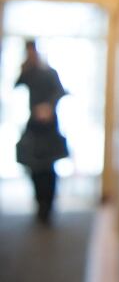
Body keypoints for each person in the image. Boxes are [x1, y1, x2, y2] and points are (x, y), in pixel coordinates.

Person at [14, 39, 68, 225]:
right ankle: (40, 203)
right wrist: (24, 67)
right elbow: (16, 85)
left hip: (49, 125)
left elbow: (61, 91)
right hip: (33, 124)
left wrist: (49, 106)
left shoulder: (49, 73)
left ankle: (48, 206)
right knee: (34, 166)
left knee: (48, 166)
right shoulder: (29, 72)